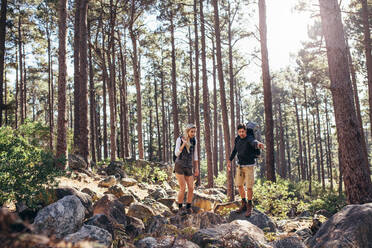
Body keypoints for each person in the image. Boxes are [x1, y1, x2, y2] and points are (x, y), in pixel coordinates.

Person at [227, 123, 265, 217]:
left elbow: (254, 142)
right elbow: (235, 150)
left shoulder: (249, 138)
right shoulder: (238, 139)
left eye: (243, 131)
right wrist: (229, 160)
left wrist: (259, 144)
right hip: (240, 165)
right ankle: (243, 203)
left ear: (245, 131)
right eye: (239, 132)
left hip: (249, 166)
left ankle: (249, 205)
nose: (241, 133)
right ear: (237, 132)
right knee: (239, 185)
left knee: (249, 187)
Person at [174, 124, 200, 214]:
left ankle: (188, 206)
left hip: (189, 165)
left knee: (191, 187)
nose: (193, 133)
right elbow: (176, 153)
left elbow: (195, 155)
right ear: (187, 131)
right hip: (180, 165)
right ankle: (180, 207)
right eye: (192, 131)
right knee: (183, 187)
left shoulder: (194, 140)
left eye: (194, 131)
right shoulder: (180, 139)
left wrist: (196, 168)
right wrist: (183, 144)